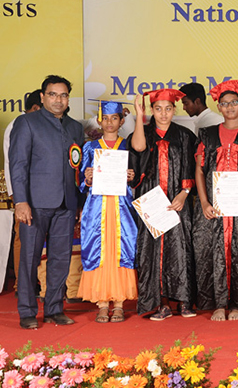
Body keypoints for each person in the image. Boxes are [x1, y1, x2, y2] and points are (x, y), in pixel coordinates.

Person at [9, 75, 84, 329]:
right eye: (53, 94)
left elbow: (77, 168)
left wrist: (79, 201)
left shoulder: (75, 127)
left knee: (61, 259)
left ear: (68, 99)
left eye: (63, 95)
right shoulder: (27, 123)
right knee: (29, 259)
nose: (58, 100)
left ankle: (54, 308)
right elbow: (18, 165)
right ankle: (27, 311)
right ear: (42, 97)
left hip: (66, 204)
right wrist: (20, 201)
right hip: (34, 203)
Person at [194, 80, 238, 321]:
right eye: (224, 104)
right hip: (214, 206)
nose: (229, 107)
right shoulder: (207, 134)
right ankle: (217, 303)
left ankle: (237, 304)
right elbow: (199, 170)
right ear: (219, 107)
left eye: (234, 102)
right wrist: (204, 203)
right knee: (212, 252)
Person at [130, 88, 197, 320]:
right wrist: (139, 116)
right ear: (152, 110)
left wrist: (184, 193)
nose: (163, 114)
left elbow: (190, 167)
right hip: (152, 199)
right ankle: (162, 304)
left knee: (180, 248)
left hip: (177, 200)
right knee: (154, 250)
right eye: (158, 109)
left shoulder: (184, 135)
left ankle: (184, 301)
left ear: (174, 110)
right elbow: (138, 148)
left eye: (168, 109)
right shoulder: (144, 133)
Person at [77, 101, 138, 323]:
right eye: (105, 118)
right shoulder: (90, 147)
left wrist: (132, 178)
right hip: (98, 206)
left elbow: (139, 178)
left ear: (121, 121)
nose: (109, 122)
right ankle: (102, 303)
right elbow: (81, 182)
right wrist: (87, 178)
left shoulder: (128, 146)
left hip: (122, 206)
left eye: (114, 118)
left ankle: (119, 303)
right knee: (99, 250)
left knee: (121, 249)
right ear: (99, 121)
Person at [4, 90, 42, 293]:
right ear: (35, 108)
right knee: (23, 236)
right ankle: (22, 283)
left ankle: (36, 280)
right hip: (22, 191)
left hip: (40, 190)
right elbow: (14, 164)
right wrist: (17, 197)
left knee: (37, 236)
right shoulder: (18, 125)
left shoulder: (37, 124)